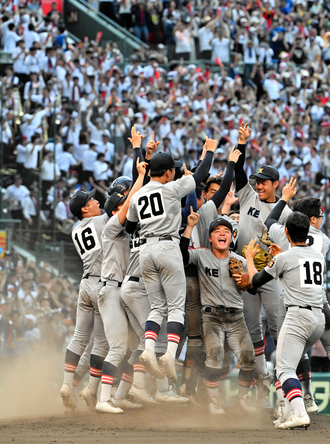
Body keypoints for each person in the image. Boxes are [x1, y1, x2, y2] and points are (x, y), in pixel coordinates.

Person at [265, 179, 330, 417]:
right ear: (311, 219)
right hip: (320, 302)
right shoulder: (324, 240)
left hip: (292, 303)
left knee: (286, 356)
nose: (321, 220)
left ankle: (288, 403)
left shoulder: (283, 233)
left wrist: (284, 199)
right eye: (318, 216)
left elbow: (269, 222)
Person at [125, 136, 214, 385]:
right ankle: (169, 354)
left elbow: (130, 227)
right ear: (167, 173)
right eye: (172, 170)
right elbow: (200, 176)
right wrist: (209, 152)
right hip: (167, 246)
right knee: (175, 308)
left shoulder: (137, 195)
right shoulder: (170, 188)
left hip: (145, 250)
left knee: (157, 308)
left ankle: (148, 350)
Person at [243, 212, 326, 430]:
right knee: (290, 363)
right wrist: (279, 258)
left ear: (286, 232)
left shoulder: (284, 258)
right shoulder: (318, 256)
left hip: (298, 317)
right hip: (318, 320)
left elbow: (254, 281)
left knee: (284, 369)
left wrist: (250, 258)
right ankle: (288, 414)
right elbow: (293, 272)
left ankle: (299, 413)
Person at [234, 122, 292, 408]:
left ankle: (289, 387)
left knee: (279, 329)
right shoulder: (247, 196)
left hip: (270, 275)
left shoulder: (285, 211)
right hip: (244, 272)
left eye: (264, 181)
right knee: (252, 329)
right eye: (257, 180)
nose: (258, 184)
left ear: (275, 184)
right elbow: (238, 172)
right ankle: (263, 383)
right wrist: (242, 144)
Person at [180, 214, 256, 415]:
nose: (222, 234)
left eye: (227, 232)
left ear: (232, 238)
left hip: (236, 317)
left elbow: (254, 288)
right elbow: (182, 255)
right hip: (211, 317)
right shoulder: (202, 255)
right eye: (217, 231)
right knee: (214, 356)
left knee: (249, 359)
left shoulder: (239, 260)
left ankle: (242, 398)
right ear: (211, 238)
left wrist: (247, 281)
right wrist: (189, 227)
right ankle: (214, 400)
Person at [94, 153, 147, 414]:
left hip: (121, 291)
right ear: (115, 210)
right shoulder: (111, 227)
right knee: (117, 347)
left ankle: (120, 394)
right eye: (122, 207)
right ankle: (103, 399)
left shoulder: (127, 230)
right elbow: (131, 204)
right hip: (110, 290)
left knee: (139, 344)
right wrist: (139, 175)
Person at [59, 188, 110, 411]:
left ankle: (66, 385)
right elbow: (120, 206)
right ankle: (91, 390)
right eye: (92, 200)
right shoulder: (99, 222)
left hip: (85, 283)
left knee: (79, 338)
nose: (97, 201)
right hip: (101, 284)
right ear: (84, 208)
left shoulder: (75, 229)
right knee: (100, 342)